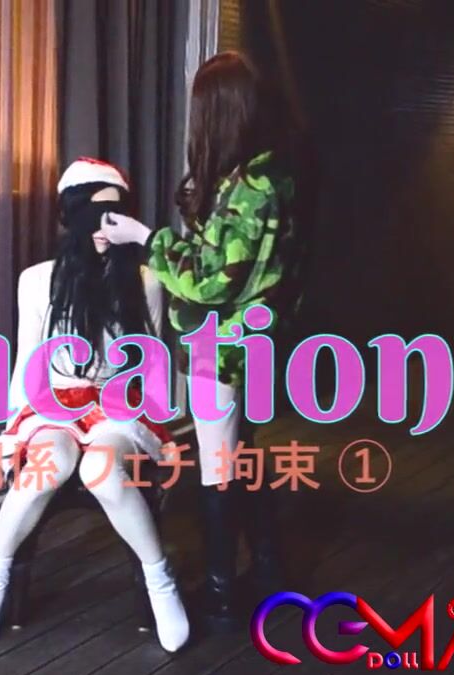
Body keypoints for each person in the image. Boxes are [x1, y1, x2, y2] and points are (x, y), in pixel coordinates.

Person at [99, 51, 303, 631]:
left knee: (218, 465)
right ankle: (266, 571)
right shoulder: (272, 173)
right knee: (238, 454)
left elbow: (212, 279)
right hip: (254, 340)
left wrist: (147, 239)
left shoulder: (250, 187)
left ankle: (220, 594)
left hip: (224, 345)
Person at [0, 158, 190, 653]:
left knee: (101, 471)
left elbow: (153, 363)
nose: (105, 228)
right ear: (71, 216)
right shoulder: (37, 280)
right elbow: (27, 359)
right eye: (93, 215)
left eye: (115, 214)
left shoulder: (146, 279)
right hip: (53, 404)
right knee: (47, 467)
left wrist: (162, 434)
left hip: (117, 406)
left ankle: (160, 580)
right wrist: (10, 433)